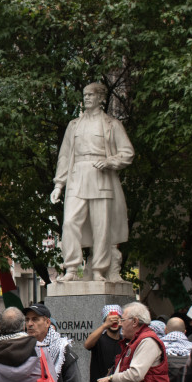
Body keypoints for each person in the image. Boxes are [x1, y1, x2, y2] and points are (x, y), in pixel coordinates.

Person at [50, 82, 134, 282]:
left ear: (101, 98)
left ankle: (99, 270)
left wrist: (109, 161)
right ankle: (70, 268)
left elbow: (127, 153)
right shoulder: (74, 125)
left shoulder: (112, 124)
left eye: (91, 95)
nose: (86, 98)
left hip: (101, 177)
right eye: (85, 95)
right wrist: (58, 184)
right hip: (77, 177)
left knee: (101, 227)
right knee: (70, 222)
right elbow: (63, 156)